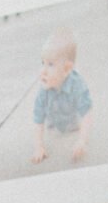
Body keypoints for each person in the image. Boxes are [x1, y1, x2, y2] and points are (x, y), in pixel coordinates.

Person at [30, 27, 93, 166]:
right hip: (54, 126)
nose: (43, 71)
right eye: (43, 63)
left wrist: (82, 141)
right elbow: (38, 119)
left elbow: (86, 114)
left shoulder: (77, 86)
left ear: (66, 69)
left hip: (74, 126)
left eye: (50, 64)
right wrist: (38, 146)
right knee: (50, 123)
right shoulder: (43, 90)